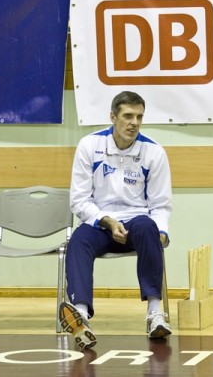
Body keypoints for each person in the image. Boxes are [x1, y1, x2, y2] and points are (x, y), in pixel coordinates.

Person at [59, 91, 172, 349]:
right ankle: (80, 315)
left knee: (148, 226)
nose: (134, 123)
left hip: (136, 223)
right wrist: (107, 220)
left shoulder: (154, 151)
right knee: (78, 240)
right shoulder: (89, 145)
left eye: (139, 117)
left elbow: (160, 204)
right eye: (128, 116)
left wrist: (162, 232)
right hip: (99, 223)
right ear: (113, 117)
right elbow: (79, 200)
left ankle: (155, 314)